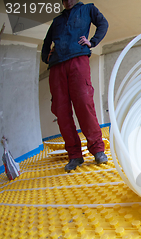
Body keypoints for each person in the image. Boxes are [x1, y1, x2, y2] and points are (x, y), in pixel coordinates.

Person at [41, 0, 108, 172]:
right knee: (61, 111)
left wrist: (92, 42)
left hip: (78, 60)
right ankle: (74, 156)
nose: (67, 1)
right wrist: (46, 57)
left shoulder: (88, 9)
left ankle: (98, 150)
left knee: (84, 104)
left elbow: (103, 23)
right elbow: (46, 42)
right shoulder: (57, 21)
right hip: (57, 67)